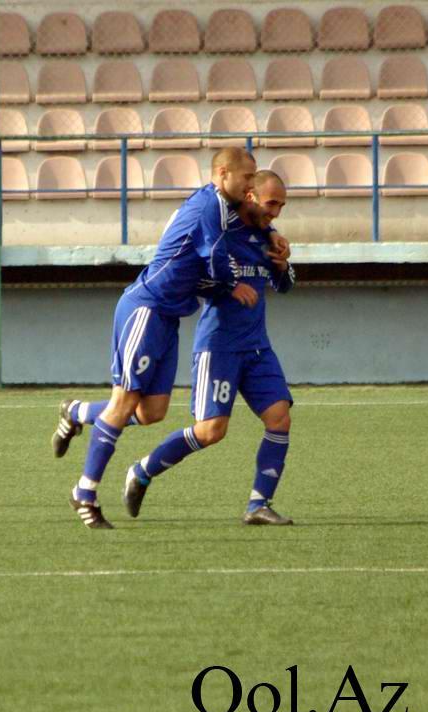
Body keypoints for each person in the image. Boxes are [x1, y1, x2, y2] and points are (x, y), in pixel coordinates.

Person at [52, 147, 288, 529]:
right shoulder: (210, 206)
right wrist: (233, 285)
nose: (250, 186)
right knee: (124, 402)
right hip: (148, 307)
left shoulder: (224, 209)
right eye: (247, 178)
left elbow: (251, 221)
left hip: (170, 316)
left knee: (152, 412)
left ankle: (76, 412)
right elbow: (215, 257)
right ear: (223, 173)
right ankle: (85, 492)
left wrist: (272, 234)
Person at [122, 170, 296, 525]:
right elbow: (195, 278)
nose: (276, 212)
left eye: (282, 205)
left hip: (257, 347)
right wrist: (227, 286)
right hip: (218, 347)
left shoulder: (267, 238)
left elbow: (285, 285)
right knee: (211, 431)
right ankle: (142, 470)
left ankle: (258, 505)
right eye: (272, 203)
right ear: (250, 196)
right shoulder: (219, 231)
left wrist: (282, 266)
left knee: (280, 418)